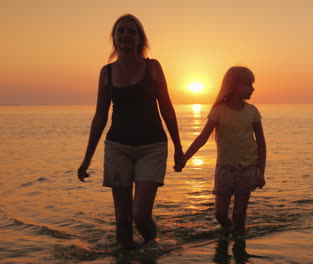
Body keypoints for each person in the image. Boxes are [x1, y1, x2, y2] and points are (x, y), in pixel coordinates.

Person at [77, 14, 186, 250]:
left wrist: (178, 148)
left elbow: (167, 108)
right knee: (122, 219)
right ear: (114, 38)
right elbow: (99, 118)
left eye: (131, 31)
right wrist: (86, 159)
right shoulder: (106, 73)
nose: (125, 35)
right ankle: (125, 256)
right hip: (117, 147)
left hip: (152, 147)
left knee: (140, 215)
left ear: (140, 38)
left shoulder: (152, 67)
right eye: (121, 31)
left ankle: (151, 244)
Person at [184, 66, 266, 237]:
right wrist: (185, 158)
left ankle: (239, 245)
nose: (253, 88)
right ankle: (228, 229)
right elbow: (202, 137)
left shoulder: (252, 111)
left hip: (248, 168)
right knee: (220, 214)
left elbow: (261, 144)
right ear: (234, 86)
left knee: (239, 214)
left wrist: (261, 173)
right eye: (248, 84)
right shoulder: (219, 111)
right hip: (225, 169)